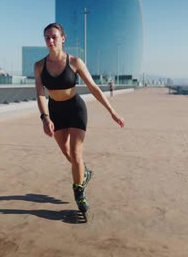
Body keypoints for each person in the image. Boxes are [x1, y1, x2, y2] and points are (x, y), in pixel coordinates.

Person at [34, 22, 125, 213]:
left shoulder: (75, 62)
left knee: (76, 154)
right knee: (67, 152)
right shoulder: (39, 66)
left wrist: (112, 111)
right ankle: (85, 172)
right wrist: (45, 118)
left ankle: (79, 192)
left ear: (63, 39)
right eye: (47, 38)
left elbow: (93, 87)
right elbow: (40, 93)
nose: (50, 41)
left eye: (54, 37)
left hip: (75, 108)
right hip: (55, 111)